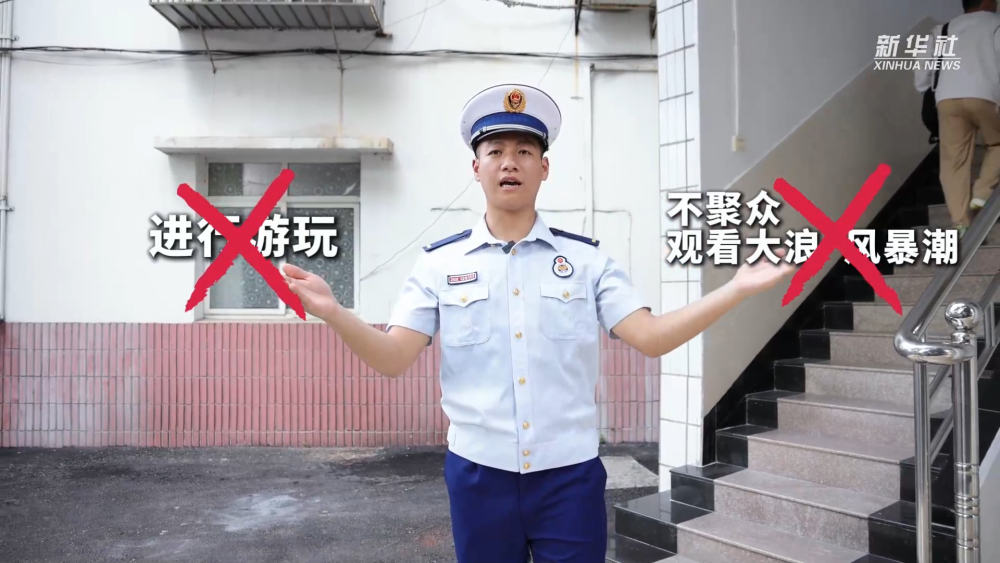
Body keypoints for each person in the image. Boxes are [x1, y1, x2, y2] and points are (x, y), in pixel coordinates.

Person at [281, 83, 795, 563]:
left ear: (544, 168)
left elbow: (652, 337)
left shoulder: (588, 261)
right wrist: (335, 313)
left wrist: (735, 289)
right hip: (478, 476)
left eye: (525, 152)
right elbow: (394, 357)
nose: (510, 162)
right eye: (496, 151)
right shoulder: (439, 263)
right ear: (476, 167)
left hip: (569, 478)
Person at [915, 0, 1000, 234]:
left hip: (946, 99)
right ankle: (982, 193)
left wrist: (929, 90)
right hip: (986, 95)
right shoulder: (995, 24)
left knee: (953, 161)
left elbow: (922, 74)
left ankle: (960, 222)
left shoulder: (941, 30)